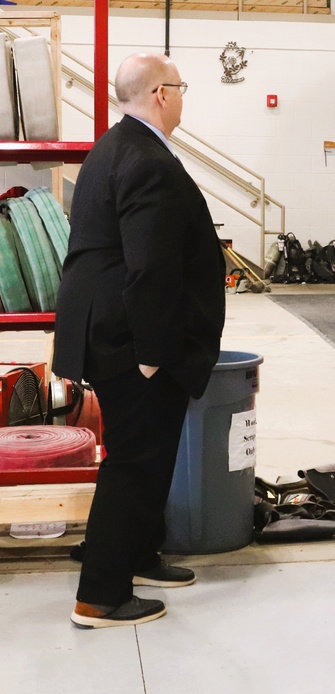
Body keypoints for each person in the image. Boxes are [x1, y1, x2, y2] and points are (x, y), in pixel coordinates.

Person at [53, 53, 226, 628]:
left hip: (107, 330)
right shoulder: (147, 159)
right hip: (132, 340)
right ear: (159, 94)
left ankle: (139, 557)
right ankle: (100, 596)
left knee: (151, 456)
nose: (182, 97)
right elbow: (148, 267)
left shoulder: (114, 145)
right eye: (180, 87)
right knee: (133, 461)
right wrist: (153, 354)